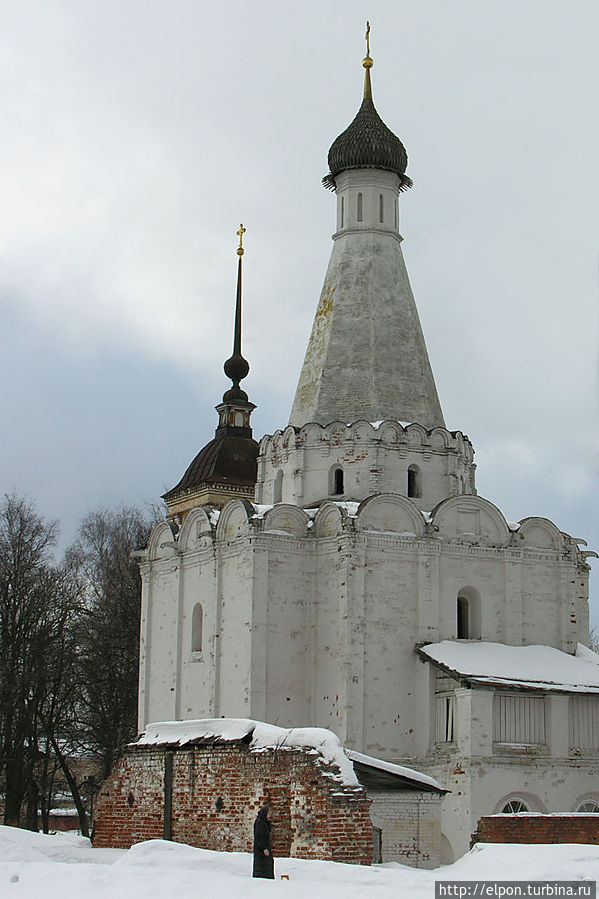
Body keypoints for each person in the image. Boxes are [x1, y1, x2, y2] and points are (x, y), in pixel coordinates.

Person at [252, 805, 274, 879]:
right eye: (268, 814)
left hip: (265, 848)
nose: (269, 816)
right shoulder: (260, 823)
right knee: (261, 869)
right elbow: (259, 837)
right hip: (261, 851)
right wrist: (264, 848)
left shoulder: (265, 822)